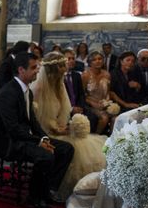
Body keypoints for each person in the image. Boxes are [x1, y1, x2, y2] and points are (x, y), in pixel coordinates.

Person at [0, 52, 75, 208]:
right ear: (21, 70)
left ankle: (49, 189)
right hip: (7, 142)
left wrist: (45, 139)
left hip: (23, 138)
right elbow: (13, 129)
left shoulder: (26, 90)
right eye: (34, 67)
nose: (38, 70)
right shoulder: (8, 93)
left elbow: (33, 122)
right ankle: (34, 197)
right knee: (46, 155)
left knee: (66, 149)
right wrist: (39, 142)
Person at [31, 52, 107, 199]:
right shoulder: (38, 88)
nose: (62, 78)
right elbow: (36, 119)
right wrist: (55, 129)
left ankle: (88, 189)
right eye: (60, 73)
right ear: (52, 73)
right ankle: (54, 187)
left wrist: (66, 126)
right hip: (44, 132)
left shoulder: (59, 86)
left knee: (88, 144)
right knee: (75, 150)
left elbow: (63, 111)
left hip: (58, 129)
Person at [82, 51, 115, 135]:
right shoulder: (85, 75)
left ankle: (111, 141)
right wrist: (93, 103)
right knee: (104, 118)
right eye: (94, 60)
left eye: (100, 59)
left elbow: (108, 92)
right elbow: (82, 94)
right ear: (90, 62)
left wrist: (108, 103)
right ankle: (96, 138)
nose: (98, 61)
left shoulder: (107, 74)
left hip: (104, 103)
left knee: (116, 118)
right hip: (90, 104)